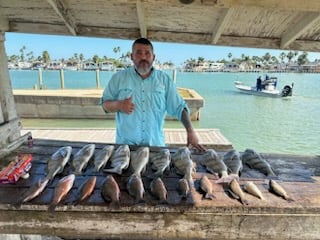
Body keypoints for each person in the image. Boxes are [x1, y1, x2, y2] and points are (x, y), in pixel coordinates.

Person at [100, 38, 206, 152]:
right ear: (132, 56)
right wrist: (119, 105)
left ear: (153, 57)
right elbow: (104, 104)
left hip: (156, 148)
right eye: (139, 53)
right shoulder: (118, 78)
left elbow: (180, 107)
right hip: (125, 149)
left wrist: (190, 131)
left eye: (147, 53)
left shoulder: (164, 80)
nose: (143, 57)